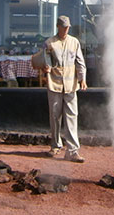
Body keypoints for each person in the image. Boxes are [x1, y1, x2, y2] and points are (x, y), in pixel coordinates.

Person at [40, 15, 87, 163]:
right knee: (55, 116)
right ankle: (55, 145)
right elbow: (44, 61)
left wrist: (82, 79)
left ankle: (73, 150)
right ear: (58, 27)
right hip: (54, 84)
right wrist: (46, 68)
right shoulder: (49, 43)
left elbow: (80, 61)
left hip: (71, 86)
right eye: (63, 27)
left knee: (72, 116)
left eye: (68, 27)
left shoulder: (74, 42)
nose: (66, 29)